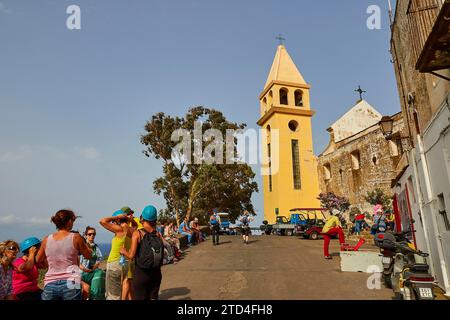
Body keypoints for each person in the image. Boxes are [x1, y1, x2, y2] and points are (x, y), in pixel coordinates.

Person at [36, 209, 92, 300]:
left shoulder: (47, 239)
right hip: (71, 282)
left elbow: (38, 259)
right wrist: (88, 248)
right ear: (69, 221)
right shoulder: (76, 237)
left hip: (50, 282)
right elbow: (88, 256)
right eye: (73, 220)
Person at [120, 205, 164, 300]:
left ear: (142, 218)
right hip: (156, 274)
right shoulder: (158, 234)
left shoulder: (137, 233)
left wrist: (123, 251)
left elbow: (131, 256)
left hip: (141, 274)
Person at [99, 210, 135, 300]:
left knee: (113, 296)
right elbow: (135, 225)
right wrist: (129, 219)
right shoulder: (131, 230)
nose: (113, 223)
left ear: (118, 220)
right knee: (120, 290)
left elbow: (102, 221)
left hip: (114, 264)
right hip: (125, 263)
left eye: (114, 222)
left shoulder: (119, 229)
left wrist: (117, 217)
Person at [79, 226, 103, 300]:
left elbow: (99, 259)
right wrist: (85, 269)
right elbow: (77, 262)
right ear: (86, 235)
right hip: (81, 272)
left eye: (93, 234)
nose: (92, 235)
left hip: (91, 271)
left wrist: (94, 267)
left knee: (101, 275)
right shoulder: (81, 246)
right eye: (90, 234)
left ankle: (95, 296)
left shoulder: (96, 247)